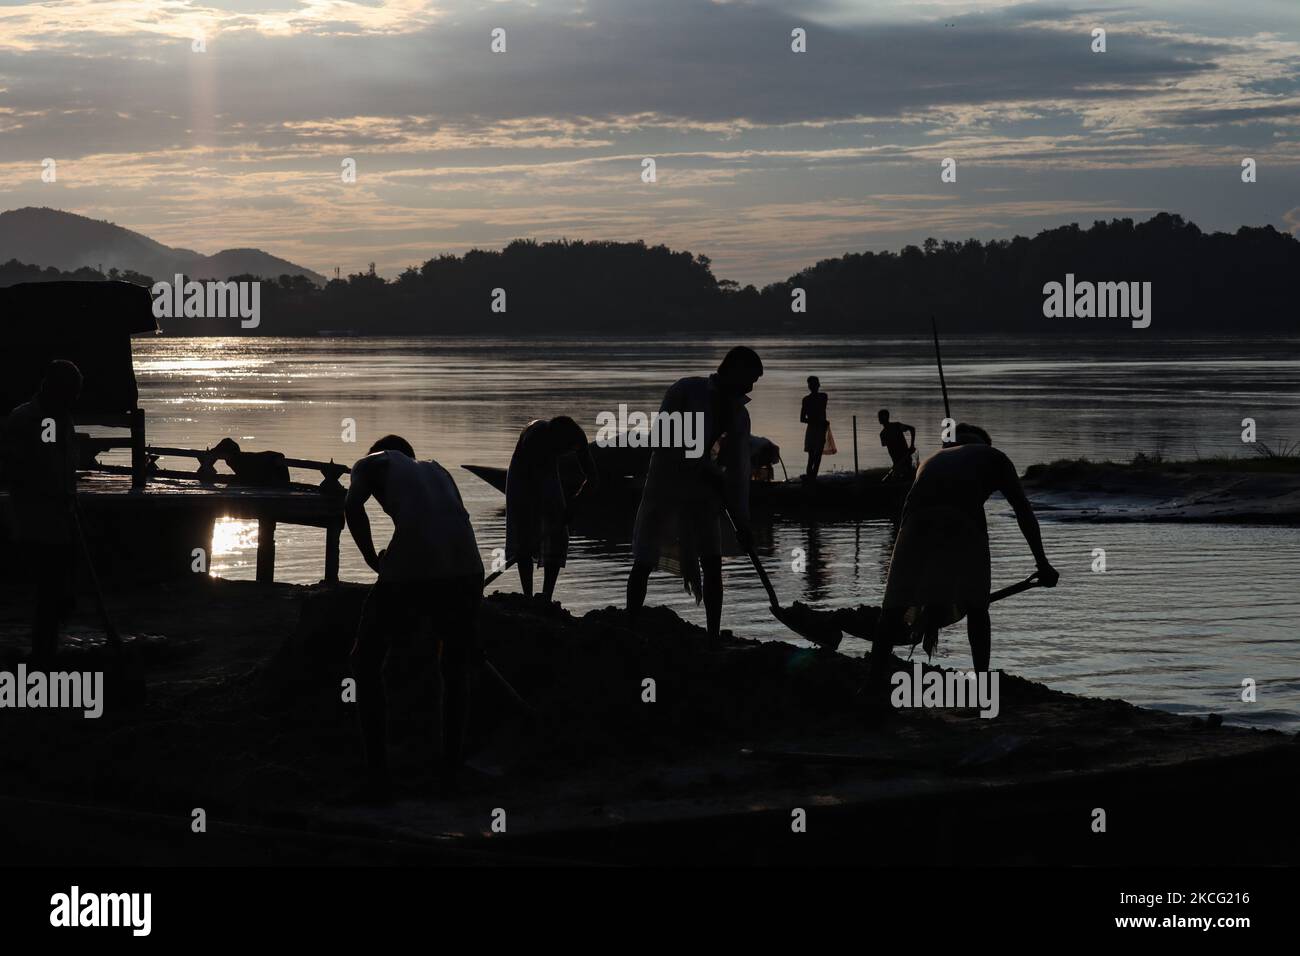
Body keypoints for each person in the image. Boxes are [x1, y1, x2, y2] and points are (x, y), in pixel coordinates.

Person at [858, 423, 1058, 706]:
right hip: (963, 518)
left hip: (914, 523)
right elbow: (1023, 510)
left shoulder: (932, 459)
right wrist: (1042, 563)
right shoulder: (994, 456)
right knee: (977, 608)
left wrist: (921, 596)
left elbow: (909, 516)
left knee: (892, 610)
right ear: (983, 443)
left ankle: (871, 687)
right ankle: (981, 688)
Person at [345, 434, 484, 798]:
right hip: (468, 565)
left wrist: (371, 558)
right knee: (455, 667)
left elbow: (351, 507)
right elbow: (446, 522)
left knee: (364, 661)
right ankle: (450, 767)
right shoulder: (437, 471)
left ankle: (377, 773)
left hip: (420, 563)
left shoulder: (371, 462)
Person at [626, 346, 763, 643]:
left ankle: (713, 635)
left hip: (705, 495)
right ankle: (631, 623)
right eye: (749, 379)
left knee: (712, 561)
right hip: (665, 486)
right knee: (645, 558)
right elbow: (665, 438)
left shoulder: (740, 415)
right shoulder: (686, 391)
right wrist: (697, 467)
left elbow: (738, 471)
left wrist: (742, 521)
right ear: (734, 369)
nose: (751, 387)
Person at [1, 360, 83, 664]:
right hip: (35, 519)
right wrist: (49, 493)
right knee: (48, 591)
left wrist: (68, 497)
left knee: (59, 591)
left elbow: (65, 465)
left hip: (62, 518)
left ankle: (47, 650)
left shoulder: (63, 419)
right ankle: (43, 655)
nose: (75, 399)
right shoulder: (24, 420)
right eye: (71, 392)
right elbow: (16, 471)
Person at [505, 416, 598, 603]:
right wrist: (530, 530)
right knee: (525, 537)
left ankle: (547, 595)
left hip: (549, 473)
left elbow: (592, 477)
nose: (564, 452)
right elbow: (532, 489)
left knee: (559, 535)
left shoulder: (577, 437)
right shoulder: (536, 437)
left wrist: (575, 503)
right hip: (522, 475)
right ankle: (528, 596)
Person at [800, 377, 829, 480]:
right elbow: (802, 419)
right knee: (813, 456)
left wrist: (816, 420)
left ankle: (811, 476)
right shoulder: (811, 399)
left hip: (818, 428)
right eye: (813, 385)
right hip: (815, 428)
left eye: (815, 384)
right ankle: (811, 476)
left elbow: (804, 418)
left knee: (815, 455)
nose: (814, 386)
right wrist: (818, 421)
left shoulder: (821, 397)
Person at [878, 409, 917, 482]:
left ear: (884, 417)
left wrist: (912, 445)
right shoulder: (882, 434)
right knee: (898, 477)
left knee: (908, 475)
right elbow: (885, 445)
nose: (878, 419)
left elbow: (912, 429)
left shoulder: (896, 426)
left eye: (879, 417)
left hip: (905, 456)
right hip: (896, 460)